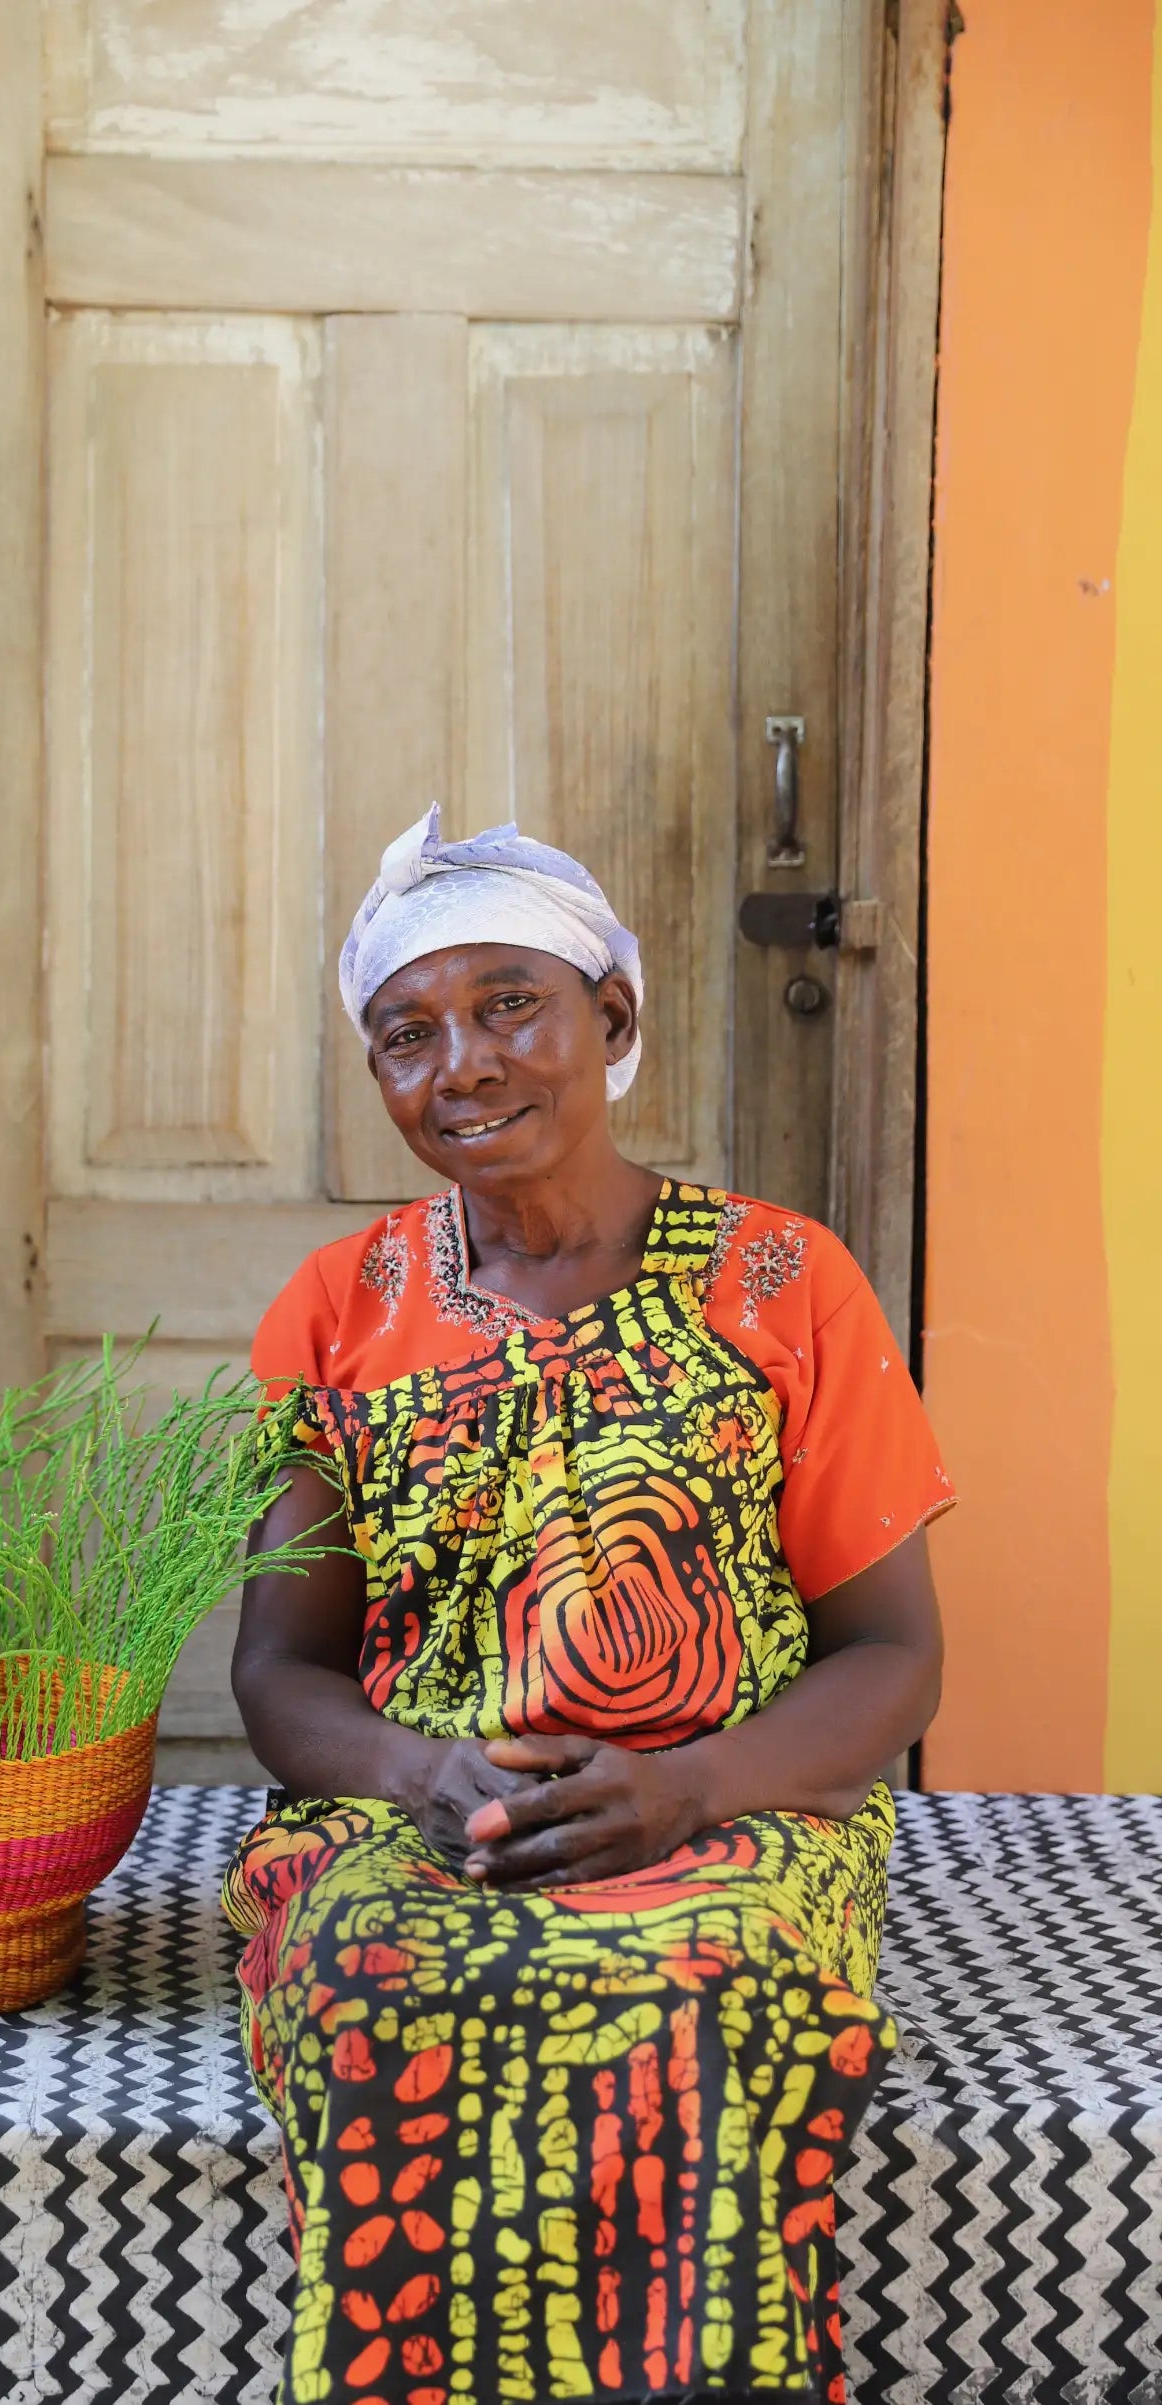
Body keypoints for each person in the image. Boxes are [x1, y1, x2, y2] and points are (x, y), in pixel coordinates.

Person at [224, 807, 951, 2405]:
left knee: (711, 1981)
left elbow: (895, 1654)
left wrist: (686, 1786)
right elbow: (282, 1673)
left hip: (737, 1805)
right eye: (406, 1034)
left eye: (508, 1003)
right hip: (424, 1816)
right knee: (381, 1982)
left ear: (611, 1020)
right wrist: (425, 1776)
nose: (461, 1062)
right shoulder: (345, 1307)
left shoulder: (782, 1282)